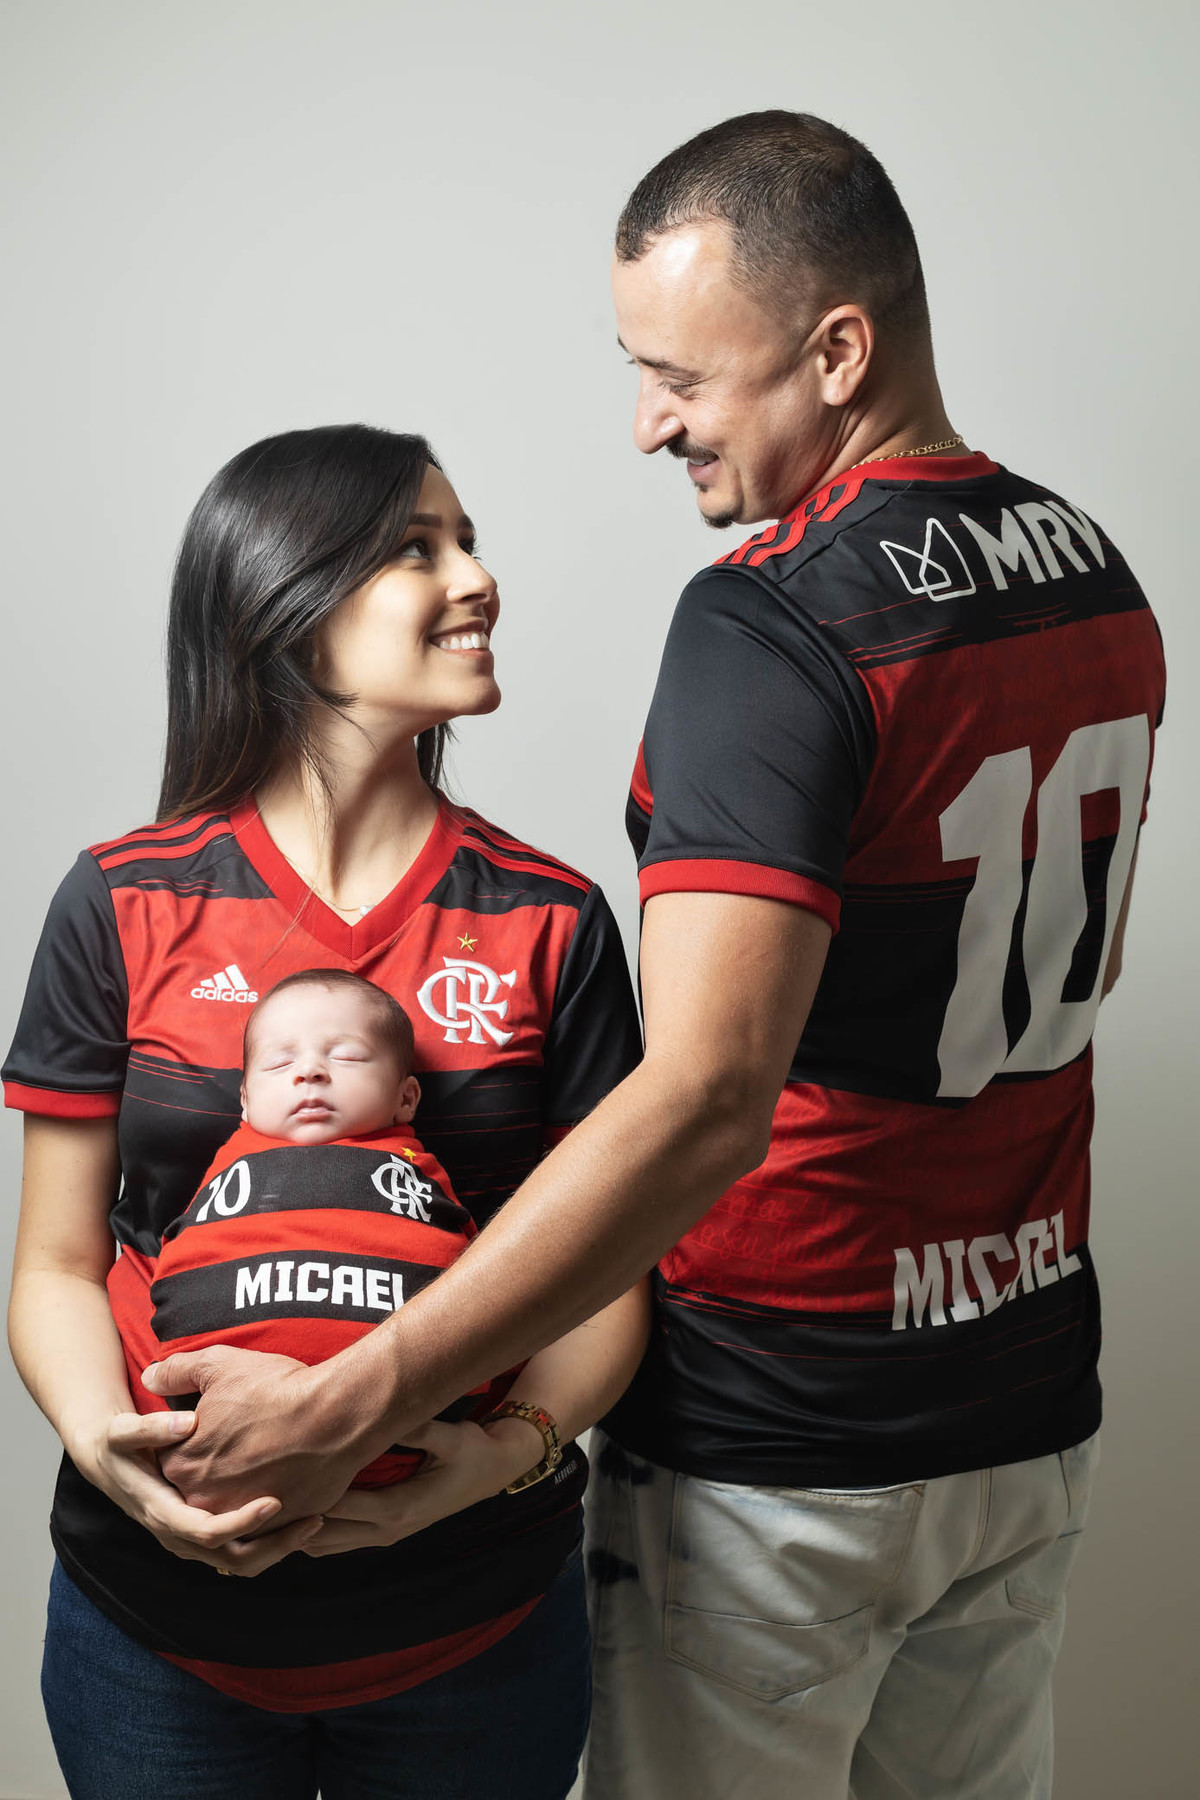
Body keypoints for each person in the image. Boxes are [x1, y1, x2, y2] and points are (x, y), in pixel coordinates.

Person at [108, 116, 1166, 1800]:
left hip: (786, 1445)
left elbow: (706, 1102)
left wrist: (363, 1396)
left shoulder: (774, 615)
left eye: (681, 376)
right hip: (1025, 1407)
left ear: (838, 353)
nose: (650, 421)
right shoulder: (1093, 567)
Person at [4, 424, 645, 1800]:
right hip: (156, 1635)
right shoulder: (122, 899)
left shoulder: (555, 919)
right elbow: (55, 1263)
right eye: (417, 549)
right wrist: (118, 1465)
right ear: (286, 606)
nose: (475, 579)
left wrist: (490, 1462)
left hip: (474, 1629)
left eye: (468, 541)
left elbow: (608, 1282)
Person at [123, 968, 517, 1490]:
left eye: (346, 1056)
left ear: (406, 1098)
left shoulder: (412, 1172)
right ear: (245, 1100)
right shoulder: (231, 1167)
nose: (309, 1071)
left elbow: (482, 1276)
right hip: (210, 1433)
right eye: (279, 1062)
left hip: (411, 1437)